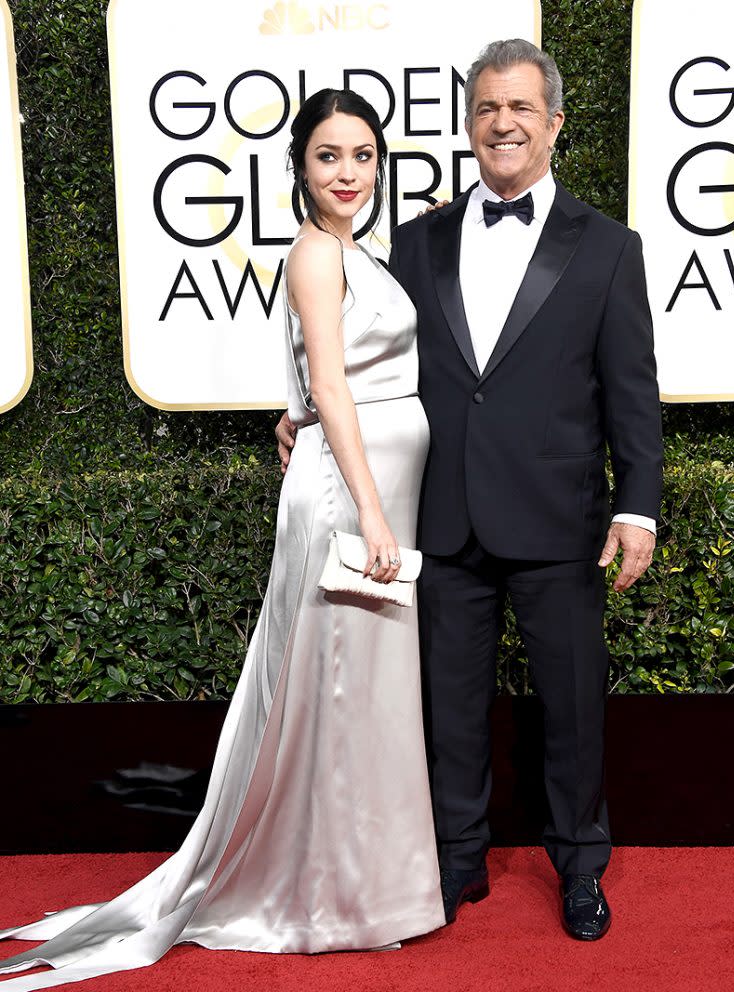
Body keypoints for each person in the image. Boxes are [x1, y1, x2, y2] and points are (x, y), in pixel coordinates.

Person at [0, 89, 445, 990]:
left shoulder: (358, 251)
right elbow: (331, 382)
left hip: (373, 488)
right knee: (337, 690)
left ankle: (365, 890)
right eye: (329, 156)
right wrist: (369, 507)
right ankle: (330, 899)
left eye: (363, 155)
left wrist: (296, 424)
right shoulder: (316, 254)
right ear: (300, 168)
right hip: (353, 501)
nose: (348, 173)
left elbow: (309, 379)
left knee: (366, 695)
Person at [278, 39, 663, 942]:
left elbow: (633, 391)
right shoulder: (412, 242)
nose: (503, 124)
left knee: (573, 707)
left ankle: (579, 865)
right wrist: (294, 411)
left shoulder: (610, 248)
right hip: (443, 514)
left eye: (522, 108)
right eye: (487, 108)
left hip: (559, 518)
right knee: (447, 708)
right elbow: (349, 354)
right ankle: (454, 861)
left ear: (555, 125)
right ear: (467, 124)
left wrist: (636, 502)